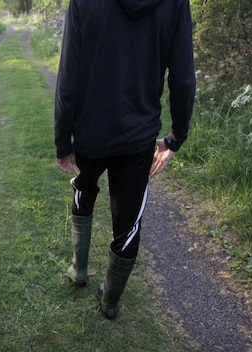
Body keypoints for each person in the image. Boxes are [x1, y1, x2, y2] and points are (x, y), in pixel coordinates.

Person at [54, 0, 196, 319]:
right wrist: (176, 138)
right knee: (128, 221)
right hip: (137, 139)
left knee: (84, 188)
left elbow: (68, 77)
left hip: (89, 133)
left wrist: (63, 142)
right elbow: (184, 78)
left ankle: (79, 269)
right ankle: (111, 301)